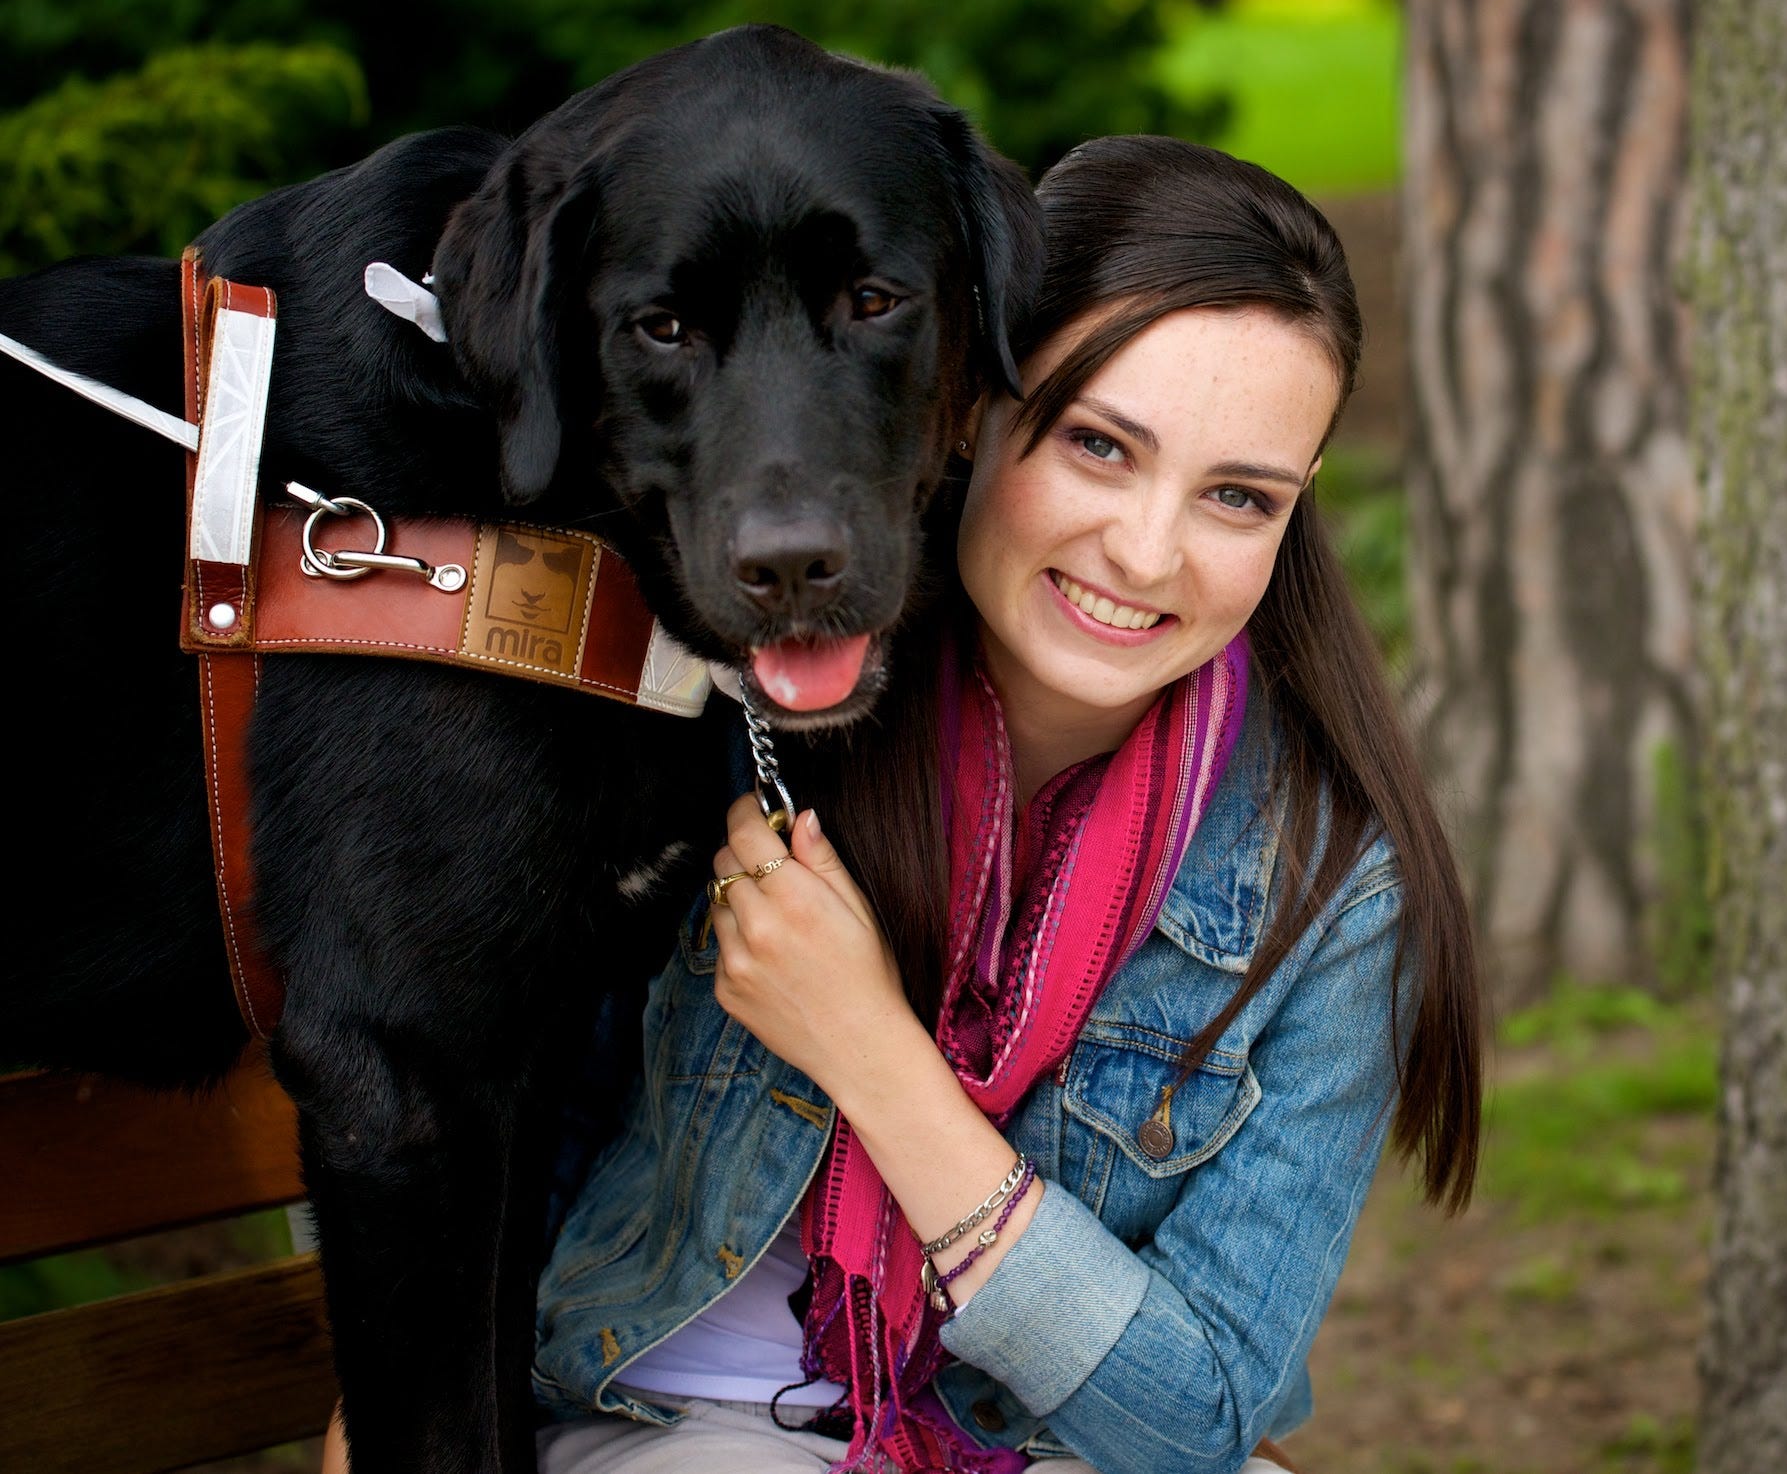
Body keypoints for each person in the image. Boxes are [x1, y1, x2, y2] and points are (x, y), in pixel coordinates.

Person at [434, 135, 1480, 1474]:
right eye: (1099, 445)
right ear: (968, 405)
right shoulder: (748, 713)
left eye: (1237, 495)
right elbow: (480, 1090)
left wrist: (869, 1051)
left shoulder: (1331, 884)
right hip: (677, 1423)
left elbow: (1207, 1416)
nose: (1147, 552)